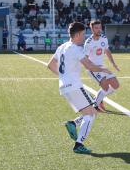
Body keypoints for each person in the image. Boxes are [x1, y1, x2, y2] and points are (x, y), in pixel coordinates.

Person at [47, 22, 112, 154]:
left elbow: (50, 65)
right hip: (74, 86)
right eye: (82, 34)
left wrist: (63, 77)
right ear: (76, 35)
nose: (84, 37)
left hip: (64, 87)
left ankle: (73, 123)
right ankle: (79, 144)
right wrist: (103, 69)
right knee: (92, 114)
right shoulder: (76, 49)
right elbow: (90, 66)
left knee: (90, 109)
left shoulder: (62, 47)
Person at [83, 20, 120, 112]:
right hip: (93, 68)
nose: (99, 30)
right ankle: (95, 105)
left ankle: (98, 98)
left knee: (116, 85)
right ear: (92, 29)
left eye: (100, 27)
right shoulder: (88, 42)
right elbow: (85, 59)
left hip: (102, 67)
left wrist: (113, 63)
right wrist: (92, 67)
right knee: (105, 87)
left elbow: (107, 51)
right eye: (96, 28)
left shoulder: (104, 38)